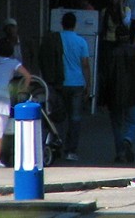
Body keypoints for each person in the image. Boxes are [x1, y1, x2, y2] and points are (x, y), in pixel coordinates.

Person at [0, 36, 32, 168]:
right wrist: (23, 89)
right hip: (2, 96)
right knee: (0, 129)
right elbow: (27, 76)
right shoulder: (13, 62)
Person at [55, 11, 92, 161]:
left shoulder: (57, 39)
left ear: (62, 24)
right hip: (77, 82)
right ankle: (71, 150)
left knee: (59, 117)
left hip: (60, 82)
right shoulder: (81, 42)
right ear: (75, 25)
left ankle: (58, 144)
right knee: (75, 118)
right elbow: (85, 65)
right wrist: (88, 84)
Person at [107, 27, 135, 163]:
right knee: (134, 121)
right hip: (133, 92)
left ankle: (120, 152)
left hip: (115, 93)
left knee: (117, 124)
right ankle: (128, 138)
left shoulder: (112, 53)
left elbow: (108, 76)